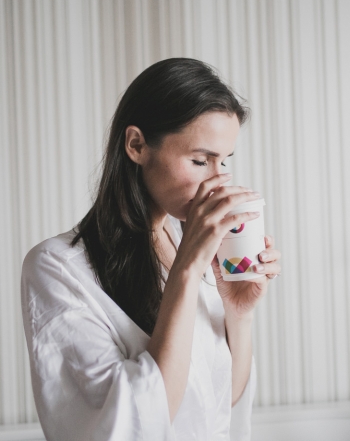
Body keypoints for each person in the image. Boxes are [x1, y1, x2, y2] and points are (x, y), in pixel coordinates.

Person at [20, 58, 281, 441]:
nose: (218, 180)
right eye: (199, 160)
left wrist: (238, 315)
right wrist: (187, 272)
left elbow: (222, 410)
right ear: (137, 145)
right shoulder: (57, 268)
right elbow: (130, 425)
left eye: (224, 162)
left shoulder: (195, 246)